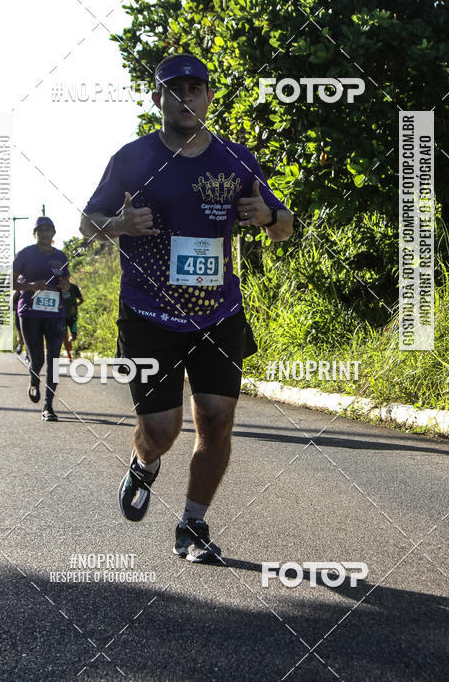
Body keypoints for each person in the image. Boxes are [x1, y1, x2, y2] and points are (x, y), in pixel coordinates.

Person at [81, 53, 293, 562]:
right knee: (162, 430)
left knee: (217, 419)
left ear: (209, 97)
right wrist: (120, 226)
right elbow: (89, 222)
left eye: (195, 88)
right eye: (174, 90)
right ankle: (143, 461)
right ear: (158, 99)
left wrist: (271, 215)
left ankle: (192, 525)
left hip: (218, 312)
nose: (185, 98)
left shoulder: (236, 159)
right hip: (148, 313)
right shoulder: (131, 159)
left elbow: (284, 224)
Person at [13, 217, 69, 421]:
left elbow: (66, 282)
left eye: (48, 230)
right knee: (38, 359)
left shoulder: (61, 256)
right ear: (34, 233)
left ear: (54, 233)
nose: (45, 234)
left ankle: (48, 406)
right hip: (30, 312)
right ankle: (34, 379)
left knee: (54, 359)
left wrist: (65, 286)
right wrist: (30, 286)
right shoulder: (25, 254)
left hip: (55, 313)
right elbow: (10, 283)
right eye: (41, 231)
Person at [62, 280, 83, 357]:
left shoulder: (74, 287)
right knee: (64, 336)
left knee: (74, 337)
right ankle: (69, 355)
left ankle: (69, 342)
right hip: (62, 318)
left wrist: (75, 306)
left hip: (72, 317)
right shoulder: (57, 288)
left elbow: (81, 300)